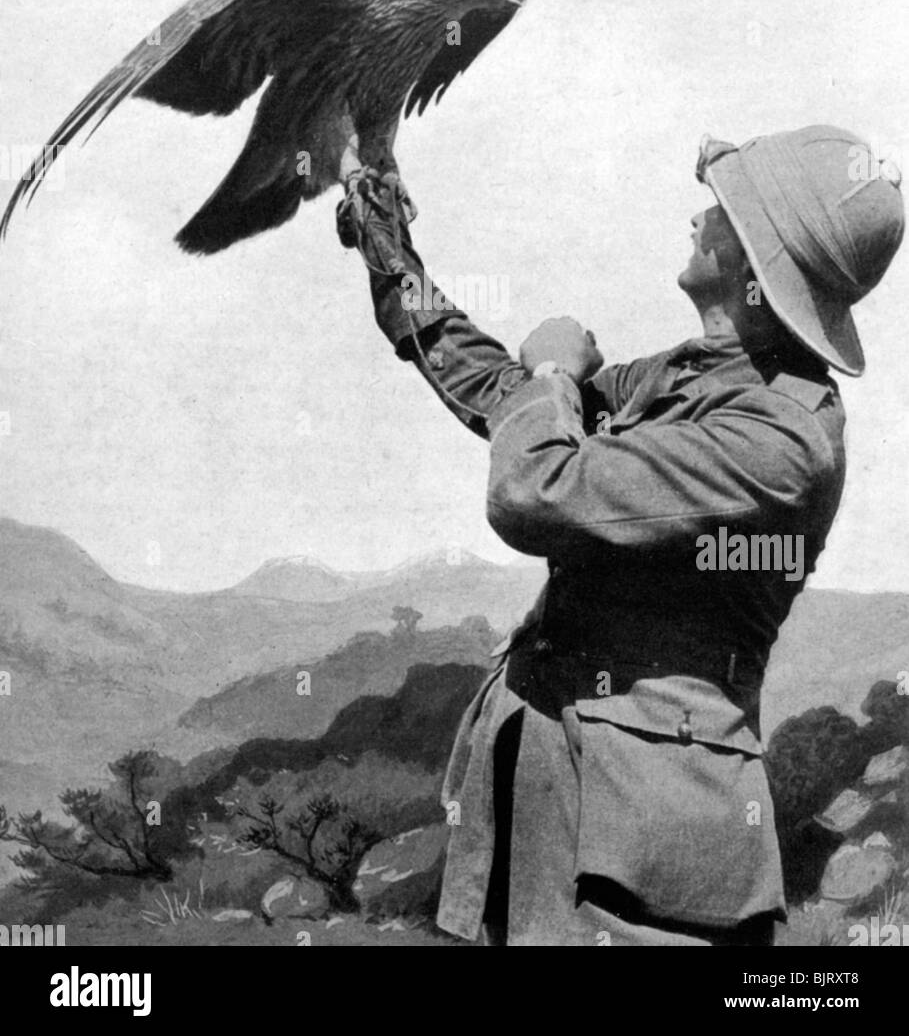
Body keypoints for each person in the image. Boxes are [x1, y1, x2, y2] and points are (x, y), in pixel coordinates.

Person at [337, 125, 903, 947]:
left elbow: (535, 488)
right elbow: (506, 401)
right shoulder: (696, 376)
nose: (698, 218)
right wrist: (384, 233)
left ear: (754, 257)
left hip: (640, 861)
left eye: (720, 211)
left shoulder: (780, 443)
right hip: (551, 820)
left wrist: (551, 376)